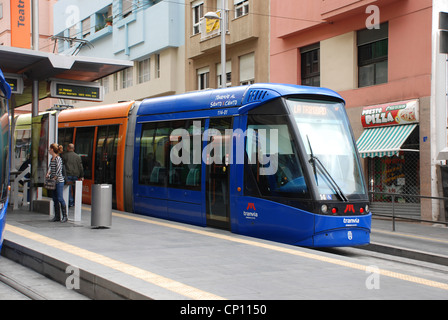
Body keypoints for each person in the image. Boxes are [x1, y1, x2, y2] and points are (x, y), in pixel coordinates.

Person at [46, 143, 67, 222]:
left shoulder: (58, 158)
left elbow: (59, 170)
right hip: (54, 181)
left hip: (59, 181)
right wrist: (48, 173)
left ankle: (65, 216)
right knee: (54, 198)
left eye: (49, 149)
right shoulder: (52, 158)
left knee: (60, 198)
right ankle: (57, 216)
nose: (48, 150)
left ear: (52, 149)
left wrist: (54, 178)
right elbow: (52, 168)